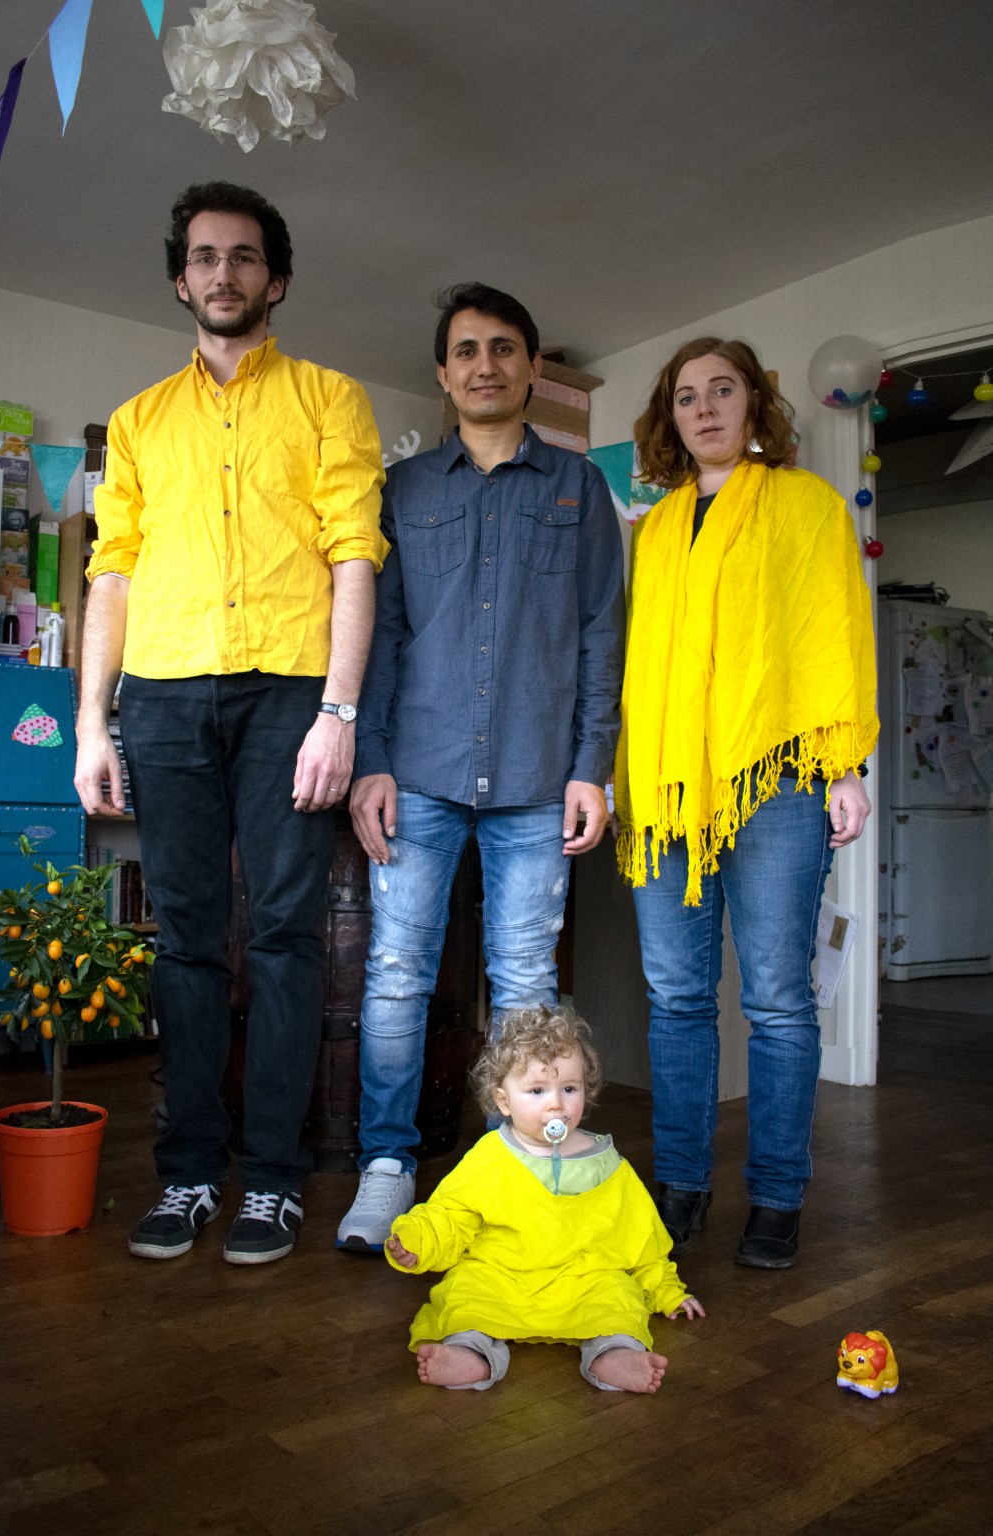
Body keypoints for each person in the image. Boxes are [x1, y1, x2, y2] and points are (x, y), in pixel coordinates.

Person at [74, 182, 386, 1265]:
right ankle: (191, 1173)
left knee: (288, 935)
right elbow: (111, 575)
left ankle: (275, 1183)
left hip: (290, 691)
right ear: (180, 280)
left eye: (244, 256)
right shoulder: (137, 423)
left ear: (276, 279)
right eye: (204, 256)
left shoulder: (331, 399)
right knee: (188, 939)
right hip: (161, 694)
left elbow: (354, 556)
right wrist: (91, 724)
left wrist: (338, 712)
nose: (223, 272)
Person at [335, 282, 625, 1251]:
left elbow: (601, 634)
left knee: (526, 985)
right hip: (418, 770)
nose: (485, 364)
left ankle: (526, 1168)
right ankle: (386, 1166)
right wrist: (371, 760)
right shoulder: (405, 491)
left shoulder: (578, 488)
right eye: (466, 349)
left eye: (504, 347)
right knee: (395, 973)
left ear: (532, 367)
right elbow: (380, 634)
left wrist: (592, 767)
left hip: (540, 776)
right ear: (442, 372)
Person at [613, 337, 879, 1270]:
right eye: (687, 397)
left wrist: (843, 767)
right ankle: (681, 1186)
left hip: (778, 781)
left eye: (722, 390)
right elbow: (642, 662)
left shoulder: (808, 506)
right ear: (671, 418)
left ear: (754, 404)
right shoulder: (655, 529)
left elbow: (831, 636)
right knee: (677, 999)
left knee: (777, 1001)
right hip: (666, 790)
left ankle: (776, 1196)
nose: (705, 409)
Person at [384, 1005, 705, 1392]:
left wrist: (667, 1290)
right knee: (467, 1293)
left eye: (569, 1089)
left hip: (584, 1278)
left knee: (617, 1298)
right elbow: (450, 1214)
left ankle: (614, 1353)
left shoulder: (606, 1165)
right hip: (501, 1273)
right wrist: (417, 1240)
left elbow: (642, 1238)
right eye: (537, 1091)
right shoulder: (490, 1157)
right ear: (504, 1101)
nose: (556, 1104)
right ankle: (470, 1351)